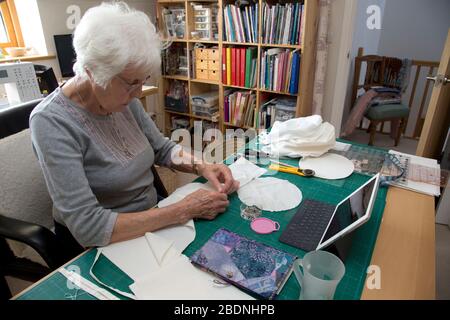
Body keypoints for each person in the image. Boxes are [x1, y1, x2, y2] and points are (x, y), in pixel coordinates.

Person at [30, 2, 239, 262]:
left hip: (154, 216)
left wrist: (202, 166)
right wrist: (182, 210)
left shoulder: (120, 99)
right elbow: (89, 227)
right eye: (132, 84)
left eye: (143, 81)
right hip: (101, 245)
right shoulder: (51, 122)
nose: (139, 93)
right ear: (92, 73)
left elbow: (161, 148)